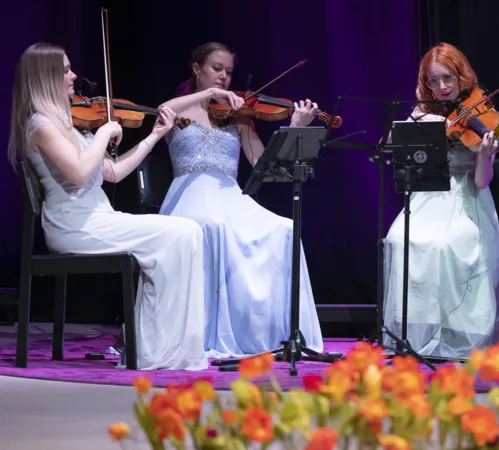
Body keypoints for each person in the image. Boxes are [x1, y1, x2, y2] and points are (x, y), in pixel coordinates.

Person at [7, 43, 208, 370]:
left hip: (98, 218)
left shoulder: (66, 123)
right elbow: (79, 171)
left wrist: (155, 135)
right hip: (74, 226)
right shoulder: (40, 124)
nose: (74, 77)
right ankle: (151, 348)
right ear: (46, 77)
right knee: (181, 233)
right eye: (66, 70)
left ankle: (156, 344)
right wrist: (102, 134)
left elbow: (112, 172)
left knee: (186, 231)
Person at [158, 42, 324, 359]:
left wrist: (294, 128)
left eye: (228, 72)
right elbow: (164, 109)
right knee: (214, 225)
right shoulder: (179, 113)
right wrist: (207, 97)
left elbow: (264, 164)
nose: (223, 77)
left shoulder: (237, 117)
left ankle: (270, 334)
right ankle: (210, 332)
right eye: (216, 69)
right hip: (190, 192)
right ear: (197, 69)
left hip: (231, 196)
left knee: (285, 229)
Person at [382, 42, 499, 359]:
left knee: (446, 243)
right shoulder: (422, 113)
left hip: (466, 196)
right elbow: (389, 145)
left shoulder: (480, 113)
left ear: (461, 76)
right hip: (428, 195)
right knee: (399, 238)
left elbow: (482, 181)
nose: (441, 87)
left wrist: (486, 155)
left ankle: (456, 336)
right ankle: (414, 333)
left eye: (447, 79)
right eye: (433, 81)